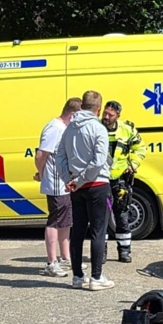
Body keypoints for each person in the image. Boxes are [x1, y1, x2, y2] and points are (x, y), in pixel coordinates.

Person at [55, 90, 114, 291]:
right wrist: (80, 180)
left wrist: (69, 179)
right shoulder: (98, 129)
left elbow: (59, 156)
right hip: (97, 185)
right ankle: (96, 277)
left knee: (78, 231)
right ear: (98, 109)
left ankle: (78, 276)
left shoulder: (69, 128)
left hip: (76, 188)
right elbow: (98, 161)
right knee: (98, 231)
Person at [35, 97, 82, 277]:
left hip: (64, 182)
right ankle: (51, 262)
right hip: (55, 182)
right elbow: (41, 155)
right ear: (73, 114)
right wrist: (41, 174)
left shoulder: (64, 128)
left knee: (66, 220)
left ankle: (65, 257)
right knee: (55, 220)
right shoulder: (54, 128)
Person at [101, 100, 145, 263]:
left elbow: (140, 148)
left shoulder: (128, 129)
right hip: (101, 178)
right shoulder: (97, 128)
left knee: (122, 215)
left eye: (110, 115)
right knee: (102, 216)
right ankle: (101, 251)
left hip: (120, 179)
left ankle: (124, 251)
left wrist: (133, 164)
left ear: (118, 116)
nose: (106, 117)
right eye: (105, 113)